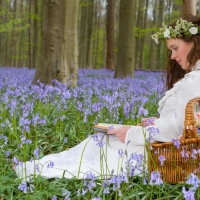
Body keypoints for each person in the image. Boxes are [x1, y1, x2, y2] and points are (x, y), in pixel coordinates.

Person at [15, 15, 200, 180]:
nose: (173, 56)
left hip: (164, 156)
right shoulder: (194, 78)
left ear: (194, 42)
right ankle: (39, 168)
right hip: (164, 147)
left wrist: (129, 132)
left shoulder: (194, 80)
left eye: (175, 48)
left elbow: (178, 132)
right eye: (170, 50)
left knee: (101, 145)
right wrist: (156, 122)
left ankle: (39, 171)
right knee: (100, 142)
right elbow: (184, 122)